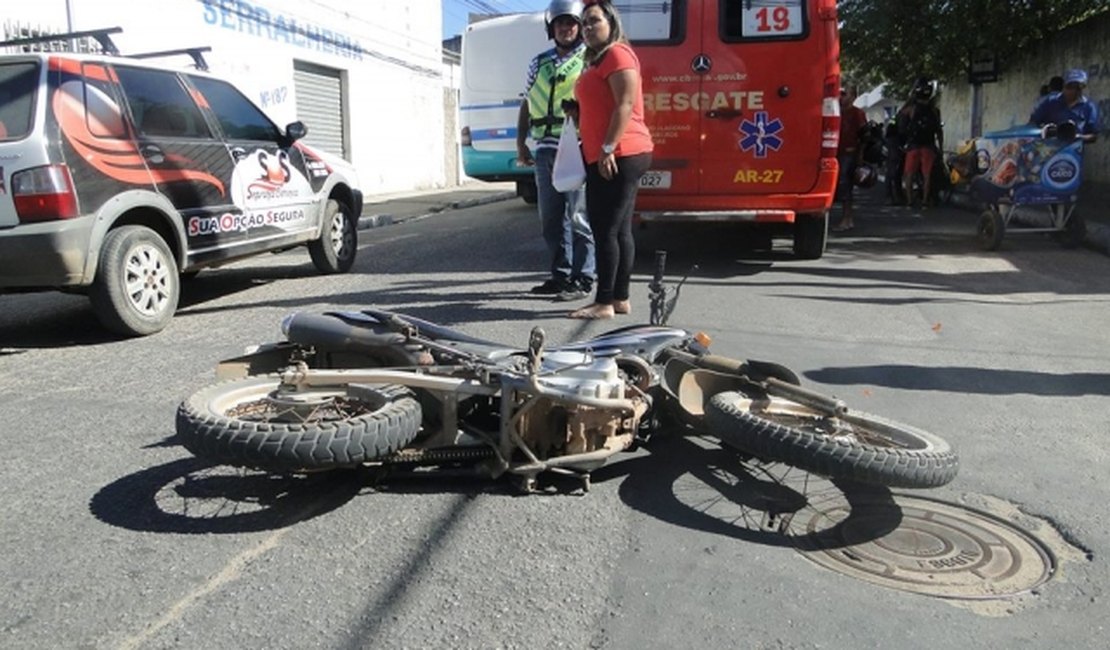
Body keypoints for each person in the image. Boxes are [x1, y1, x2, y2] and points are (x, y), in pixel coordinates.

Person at [567, 0, 653, 320]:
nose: (587, 28)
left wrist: (606, 148)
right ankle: (619, 298)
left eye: (594, 21)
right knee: (619, 231)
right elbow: (604, 104)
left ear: (610, 22)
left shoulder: (618, 53)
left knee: (605, 229)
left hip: (619, 154)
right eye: (584, 23)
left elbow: (625, 104)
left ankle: (603, 302)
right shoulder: (597, 60)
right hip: (612, 153)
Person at [516, 0, 596, 302]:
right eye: (560, 23)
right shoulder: (538, 62)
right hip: (545, 150)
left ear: (579, 26)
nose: (566, 28)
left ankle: (584, 277)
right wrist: (520, 141)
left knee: (579, 216)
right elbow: (527, 102)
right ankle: (560, 276)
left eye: (572, 23)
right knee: (550, 218)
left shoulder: (589, 61)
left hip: (577, 148)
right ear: (551, 27)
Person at [898, 77, 944, 207]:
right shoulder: (934, 110)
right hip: (928, 146)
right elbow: (939, 131)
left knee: (909, 174)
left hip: (913, 146)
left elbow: (900, 123)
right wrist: (940, 147)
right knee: (927, 174)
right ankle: (925, 200)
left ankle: (909, 200)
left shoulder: (910, 109)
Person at [1030, 68, 1100, 143]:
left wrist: (1077, 137)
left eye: (1078, 88)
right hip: (1047, 149)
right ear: (1064, 87)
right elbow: (1032, 123)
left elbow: (1093, 136)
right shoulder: (1051, 102)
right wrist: (1045, 131)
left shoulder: (1089, 106)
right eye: (1070, 87)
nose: (1074, 91)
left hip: (1072, 150)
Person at [832, 86, 868, 232]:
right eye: (840, 94)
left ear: (853, 97)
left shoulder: (857, 113)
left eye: (845, 94)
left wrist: (860, 155)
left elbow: (864, 136)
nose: (841, 97)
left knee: (845, 184)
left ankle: (847, 218)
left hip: (849, 153)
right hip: (836, 153)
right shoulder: (836, 112)